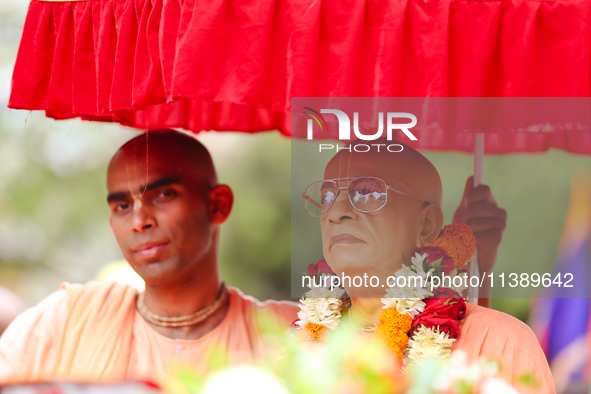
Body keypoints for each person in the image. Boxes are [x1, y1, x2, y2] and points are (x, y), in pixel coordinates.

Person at [0, 130, 298, 384]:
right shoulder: (66, 321)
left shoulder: (294, 334)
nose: (139, 220)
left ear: (218, 205)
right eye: (122, 206)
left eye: (164, 194)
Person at [307, 139, 554, 392]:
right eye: (327, 196)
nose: (336, 212)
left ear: (426, 224)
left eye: (368, 192)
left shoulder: (500, 341)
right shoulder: (292, 338)